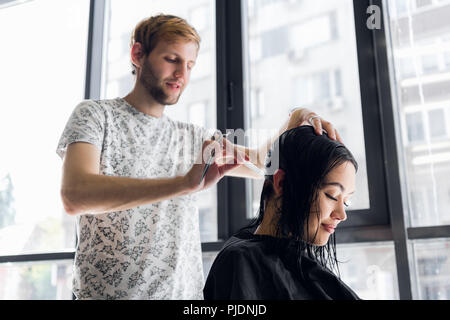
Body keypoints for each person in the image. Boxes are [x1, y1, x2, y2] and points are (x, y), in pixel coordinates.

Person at [56, 14, 342, 300]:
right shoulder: (95, 115)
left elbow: (262, 161)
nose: (182, 74)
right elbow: (76, 195)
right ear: (137, 54)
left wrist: (295, 116)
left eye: (190, 65)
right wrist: (184, 184)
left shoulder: (192, 138)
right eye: (172, 59)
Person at [203, 125, 360, 300]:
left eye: (346, 201)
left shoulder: (300, 260)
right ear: (281, 183)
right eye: (332, 195)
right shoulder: (242, 262)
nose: (341, 215)